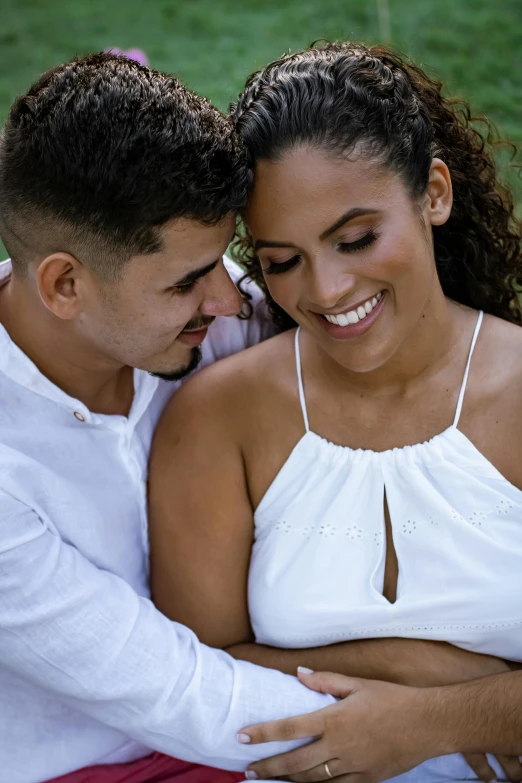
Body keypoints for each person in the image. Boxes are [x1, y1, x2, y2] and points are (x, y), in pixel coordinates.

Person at [148, 42, 522, 783]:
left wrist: (429, 718)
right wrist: (406, 662)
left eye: (355, 238)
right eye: (282, 260)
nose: (325, 288)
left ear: (434, 193)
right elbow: (191, 671)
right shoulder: (218, 416)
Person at [0, 52, 345, 783]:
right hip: (88, 764)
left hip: (250, 706)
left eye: (222, 262)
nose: (229, 300)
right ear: (65, 284)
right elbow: (177, 690)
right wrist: (443, 721)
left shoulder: (207, 325)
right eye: (189, 280)